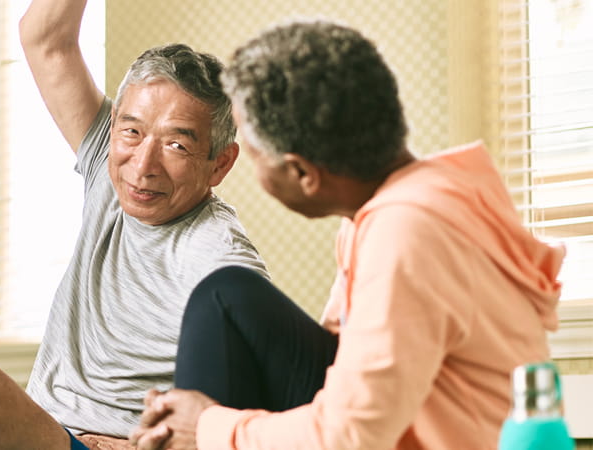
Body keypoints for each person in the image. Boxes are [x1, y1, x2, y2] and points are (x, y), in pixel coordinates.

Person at [0, 0, 266, 448]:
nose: (143, 165)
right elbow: (45, 39)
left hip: (103, 443)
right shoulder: (107, 167)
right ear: (114, 126)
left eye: (176, 145)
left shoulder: (220, 257)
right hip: (45, 429)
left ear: (220, 164)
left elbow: (266, 412)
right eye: (131, 132)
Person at [129, 21, 565, 450]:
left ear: (302, 173)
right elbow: (343, 373)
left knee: (223, 303)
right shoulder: (408, 200)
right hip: (393, 423)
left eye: (256, 154)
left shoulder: (408, 232)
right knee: (227, 299)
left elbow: (350, 436)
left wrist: (207, 428)